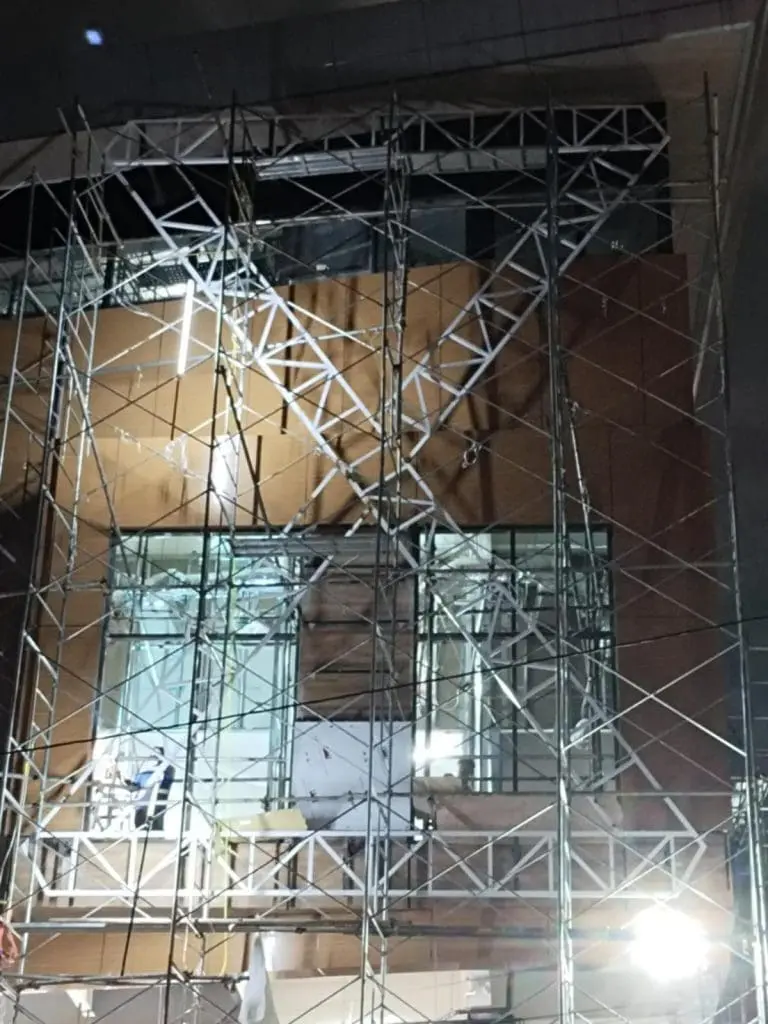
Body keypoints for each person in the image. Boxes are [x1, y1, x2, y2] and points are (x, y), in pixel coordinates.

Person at [126, 747, 175, 831]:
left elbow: (167, 778)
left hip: (156, 805)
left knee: (156, 827)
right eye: (152, 754)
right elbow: (134, 787)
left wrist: (162, 765)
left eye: (157, 754)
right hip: (141, 805)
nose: (154, 756)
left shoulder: (166, 771)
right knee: (139, 827)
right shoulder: (141, 774)